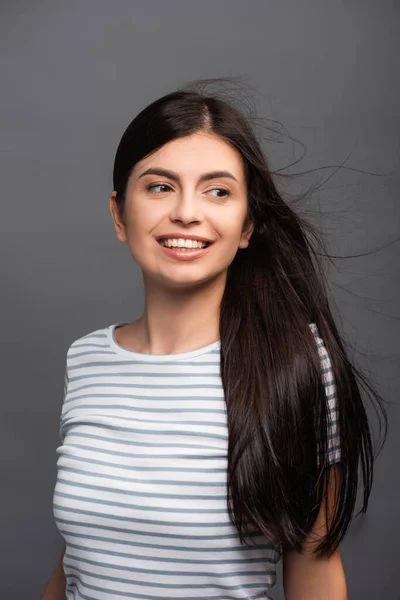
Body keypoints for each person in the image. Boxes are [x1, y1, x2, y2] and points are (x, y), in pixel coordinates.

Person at [41, 80, 387, 600]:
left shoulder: (296, 362)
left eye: (218, 191)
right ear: (119, 214)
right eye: (159, 186)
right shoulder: (86, 359)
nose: (186, 212)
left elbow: (314, 568)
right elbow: (79, 560)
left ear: (246, 224)